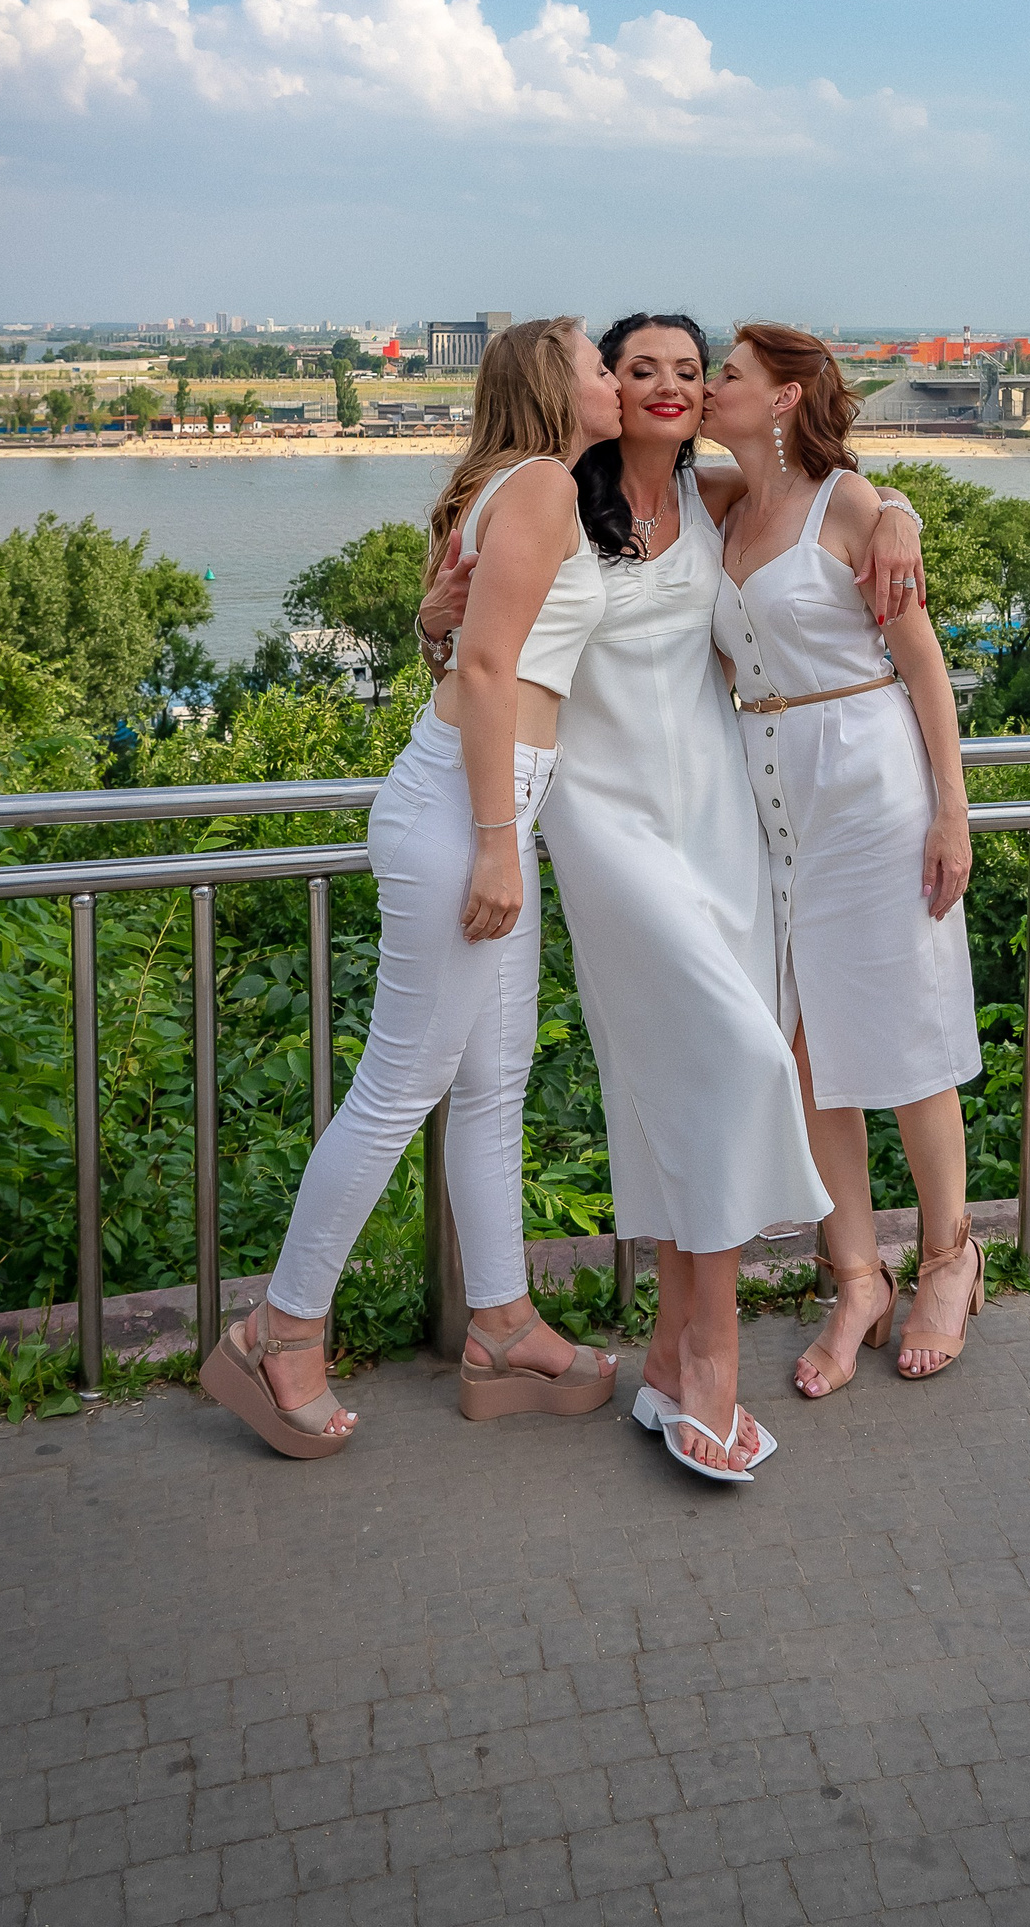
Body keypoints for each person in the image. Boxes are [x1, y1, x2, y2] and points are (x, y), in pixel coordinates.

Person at [416, 311, 928, 1478]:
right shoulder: (554, 496)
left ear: (704, 395)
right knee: (742, 1061)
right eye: (637, 365)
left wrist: (896, 505)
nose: (664, 383)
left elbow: (826, 495)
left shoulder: (715, 495)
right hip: (605, 819)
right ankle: (712, 1358)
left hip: (720, 819)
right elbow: (470, 650)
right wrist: (430, 620)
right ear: (607, 384)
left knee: (690, 1087)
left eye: (688, 369)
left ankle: (666, 1355)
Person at [199, 316, 622, 1457]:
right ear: (554, 383)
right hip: (468, 810)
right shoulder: (542, 484)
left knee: (492, 1081)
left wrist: (437, 644)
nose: (613, 375)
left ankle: (502, 1323)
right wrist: (497, 841)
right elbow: (486, 667)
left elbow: (462, 643)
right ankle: (280, 1330)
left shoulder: (519, 486)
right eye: (597, 361)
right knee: (401, 1085)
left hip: (484, 801)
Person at [705, 324, 984, 1393]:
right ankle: (857, 1276)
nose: (711, 386)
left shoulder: (849, 506)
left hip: (870, 788)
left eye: (729, 373)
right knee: (807, 1044)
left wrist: (951, 812)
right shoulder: (723, 504)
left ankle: (949, 1258)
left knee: (906, 1033)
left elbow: (926, 666)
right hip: (774, 803)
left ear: (783, 395)